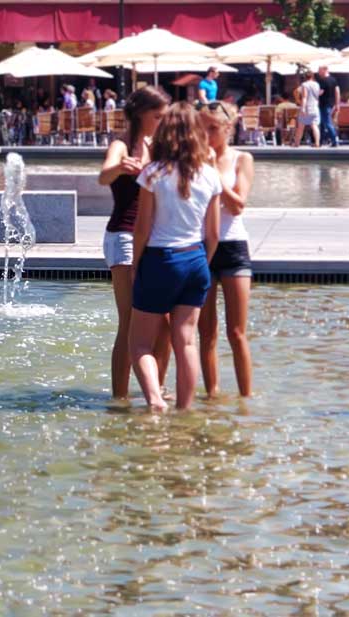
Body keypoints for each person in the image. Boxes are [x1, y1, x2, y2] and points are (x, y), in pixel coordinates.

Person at [130, 101, 222, 411]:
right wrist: (201, 264)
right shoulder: (209, 175)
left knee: (140, 342)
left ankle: (155, 400)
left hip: (159, 258)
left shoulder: (152, 174)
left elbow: (141, 229)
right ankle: (185, 409)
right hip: (194, 259)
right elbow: (214, 235)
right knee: (186, 341)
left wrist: (135, 265)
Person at [97, 86, 171, 402]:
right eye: (158, 116)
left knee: (165, 325)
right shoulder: (121, 144)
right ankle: (120, 397)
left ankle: (156, 389)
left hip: (156, 239)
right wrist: (121, 167)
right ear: (141, 114)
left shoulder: (164, 146)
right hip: (124, 236)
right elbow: (103, 176)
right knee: (129, 321)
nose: (162, 121)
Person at [197, 101, 254, 399]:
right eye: (202, 128)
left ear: (228, 128)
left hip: (233, 247)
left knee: (236, 332)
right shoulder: (194, 159)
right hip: (202, 246)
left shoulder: (242, 159)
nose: (207, 135)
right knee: (206, 332)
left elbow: (237, 204)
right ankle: (212, 396)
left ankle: (246, 399)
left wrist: (212, 172)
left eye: (213, 129)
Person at [293, 70, 322, 148]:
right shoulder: (317, 84)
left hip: (307, 108)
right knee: (315, 126)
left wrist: (301, 106)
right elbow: (318, 95)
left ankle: (296, 143)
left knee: (301, 127)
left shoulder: (304, 85)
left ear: (305, 77)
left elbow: (304, 97)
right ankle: (317, 143)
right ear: (312, 76)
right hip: (315, 108)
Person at [316, 65, 340, 147]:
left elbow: (320, 92)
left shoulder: (322, 81)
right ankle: (320, 141)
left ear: (325, 70)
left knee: (327, 123)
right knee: (322, 123)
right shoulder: (334, 80)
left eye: (319, 70)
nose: (318, 72)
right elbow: (337, 92)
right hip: (330, 104)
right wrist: (337, 104)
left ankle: (334, 140)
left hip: (324, 104)